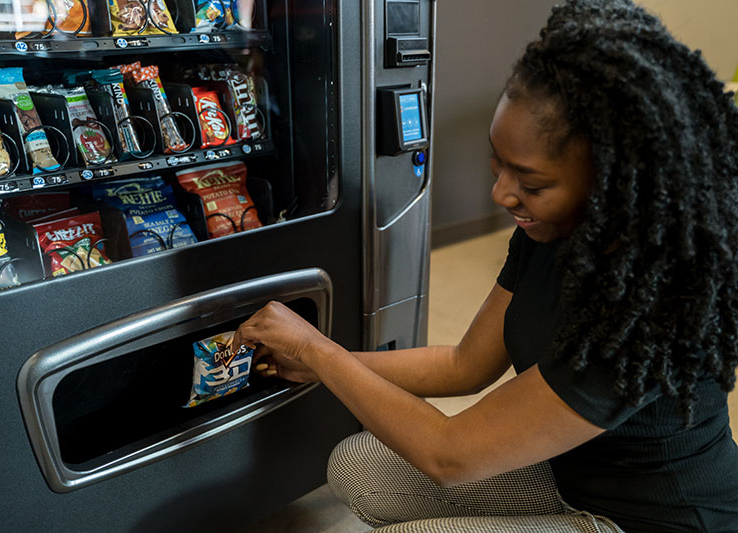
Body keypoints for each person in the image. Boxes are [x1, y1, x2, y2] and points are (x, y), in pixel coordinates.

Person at [234, 0, 738, 530]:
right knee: (360, 467)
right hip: (573, 478)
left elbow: (450, 455)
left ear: (613, 184)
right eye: (497, 165)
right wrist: (320, 361)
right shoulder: (553, 230)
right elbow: (465, 365)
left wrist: (315, 349)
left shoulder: (646, 309)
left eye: (531, 183)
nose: (502, 194)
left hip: (655, 519)